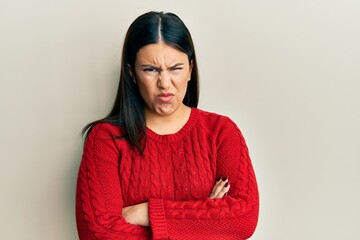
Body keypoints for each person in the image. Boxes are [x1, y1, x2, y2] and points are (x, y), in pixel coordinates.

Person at [76, 11, 259, 240]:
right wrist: (204, 219)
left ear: (191, 69)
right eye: (150, 70)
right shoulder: (105, 140)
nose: (164, 83)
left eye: (175, 68)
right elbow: (98, 234)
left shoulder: (221, 132)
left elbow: (243, 219)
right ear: (132, 72)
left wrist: (146, 212)